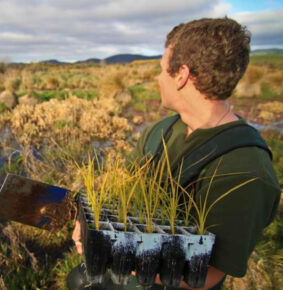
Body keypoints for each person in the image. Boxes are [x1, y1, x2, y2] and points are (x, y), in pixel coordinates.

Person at [68, 17, 281, 290]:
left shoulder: (247, 171)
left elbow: (209, 275)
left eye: (161, 69)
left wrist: (120, 258)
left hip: (169, 283)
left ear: (181, 74)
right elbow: (122, 182)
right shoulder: (163, 130)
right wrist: (89, 226)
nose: (158, 78)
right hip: (134, 264)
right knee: (77, 280)